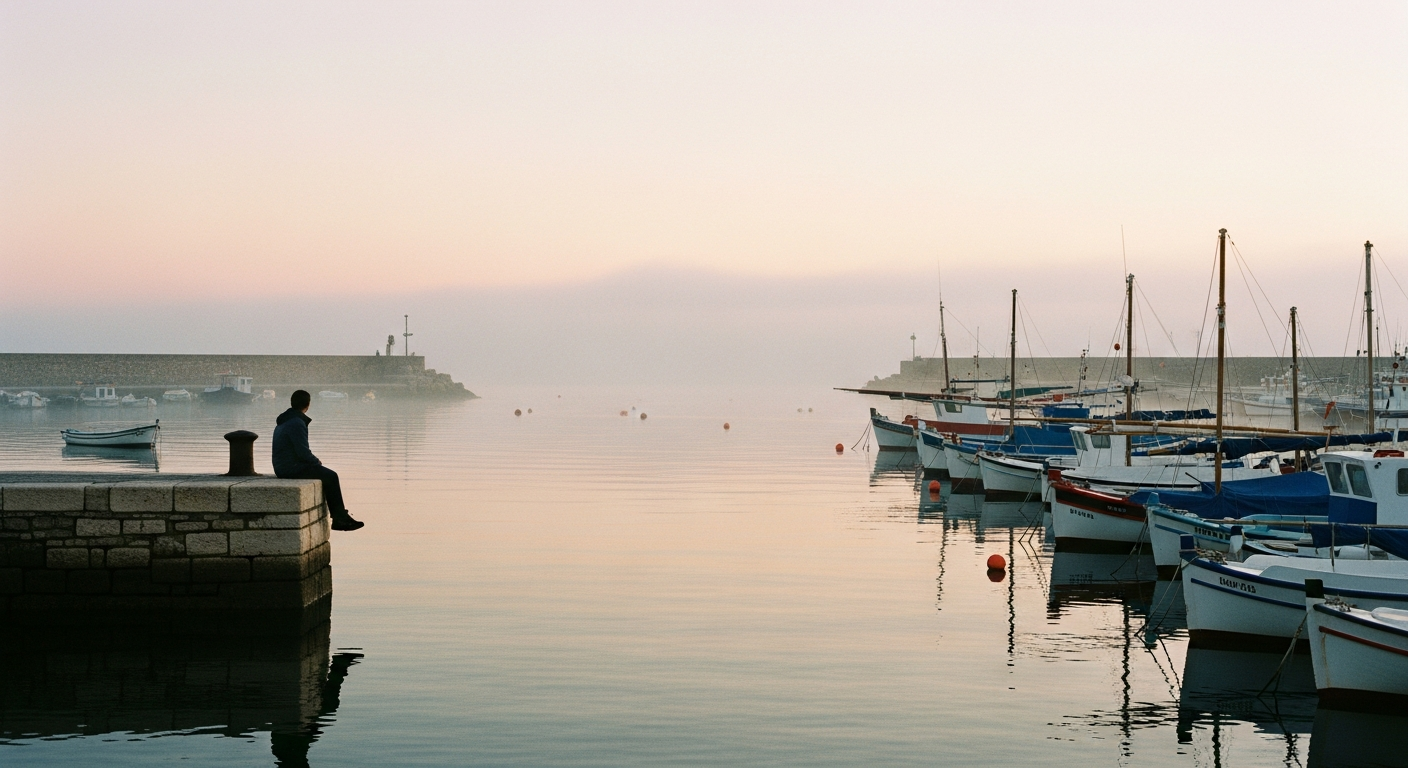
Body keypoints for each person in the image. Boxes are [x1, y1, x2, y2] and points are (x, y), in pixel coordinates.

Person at [273, 390, 364, 531]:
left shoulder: (286, 420)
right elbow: (303, 452)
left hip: (283, 466)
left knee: (326, 474)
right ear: (307, 405)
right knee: (331, 476)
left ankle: (340, 517)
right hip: (290, 468)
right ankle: (340, 519)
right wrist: (316, 462)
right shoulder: (297, 422)